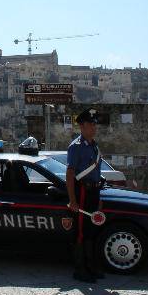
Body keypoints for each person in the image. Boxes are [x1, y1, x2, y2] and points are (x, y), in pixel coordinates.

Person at [66, 108, 104, 283]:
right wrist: (72, 200)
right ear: (82, 126)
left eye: (94, 124)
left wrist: (99, 196)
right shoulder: (76, 147)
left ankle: (91, 266)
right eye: (90, 124)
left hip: (94, 191)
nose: (94, 127)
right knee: (80, 232)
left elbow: (97, 172)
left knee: (91, 230)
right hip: (82, 192)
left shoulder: (94, 146)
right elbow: (70, 173)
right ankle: (80, 269)